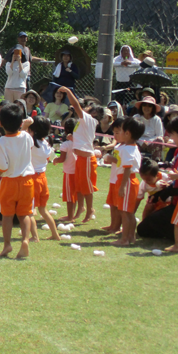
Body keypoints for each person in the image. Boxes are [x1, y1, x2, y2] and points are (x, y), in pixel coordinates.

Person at [0, 103, 35, 258]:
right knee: (25, 214)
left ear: (1, 123)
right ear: (20, 122)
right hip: (27, 181)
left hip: (9, 182)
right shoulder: (27, 136)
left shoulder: (1, 142)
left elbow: (2, 165)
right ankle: (25, 240)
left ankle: (7, 245)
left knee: (7, 215)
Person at [58, 86, 101, 223]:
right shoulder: (84, 122)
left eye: (89, 107)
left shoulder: (88, 119)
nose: (86, 108)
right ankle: (80, 210)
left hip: (87, 159)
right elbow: (83, 138)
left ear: (93, 113)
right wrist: (73, 139)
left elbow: (76, 105)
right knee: (80, 186)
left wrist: (68, 92)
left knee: (87, 188)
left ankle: (89, 210)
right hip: (81, 158)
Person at [102, 116, 144, 245]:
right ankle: (131, 237)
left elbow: (127, 168)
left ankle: (125, 239)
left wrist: (123, 186)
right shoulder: (132, 147)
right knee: (129, 212)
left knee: (125, 213)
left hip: (127, 181)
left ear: (127, 133)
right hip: (129, 181)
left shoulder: (127, 149)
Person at [27, 117, 60, 241]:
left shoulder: (31, 143)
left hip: (32, 178)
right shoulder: (46, 144)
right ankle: (55, 234)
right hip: (43, 179)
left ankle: (35, 236)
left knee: (29, 211)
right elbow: (52, 158)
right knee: (43, 210)